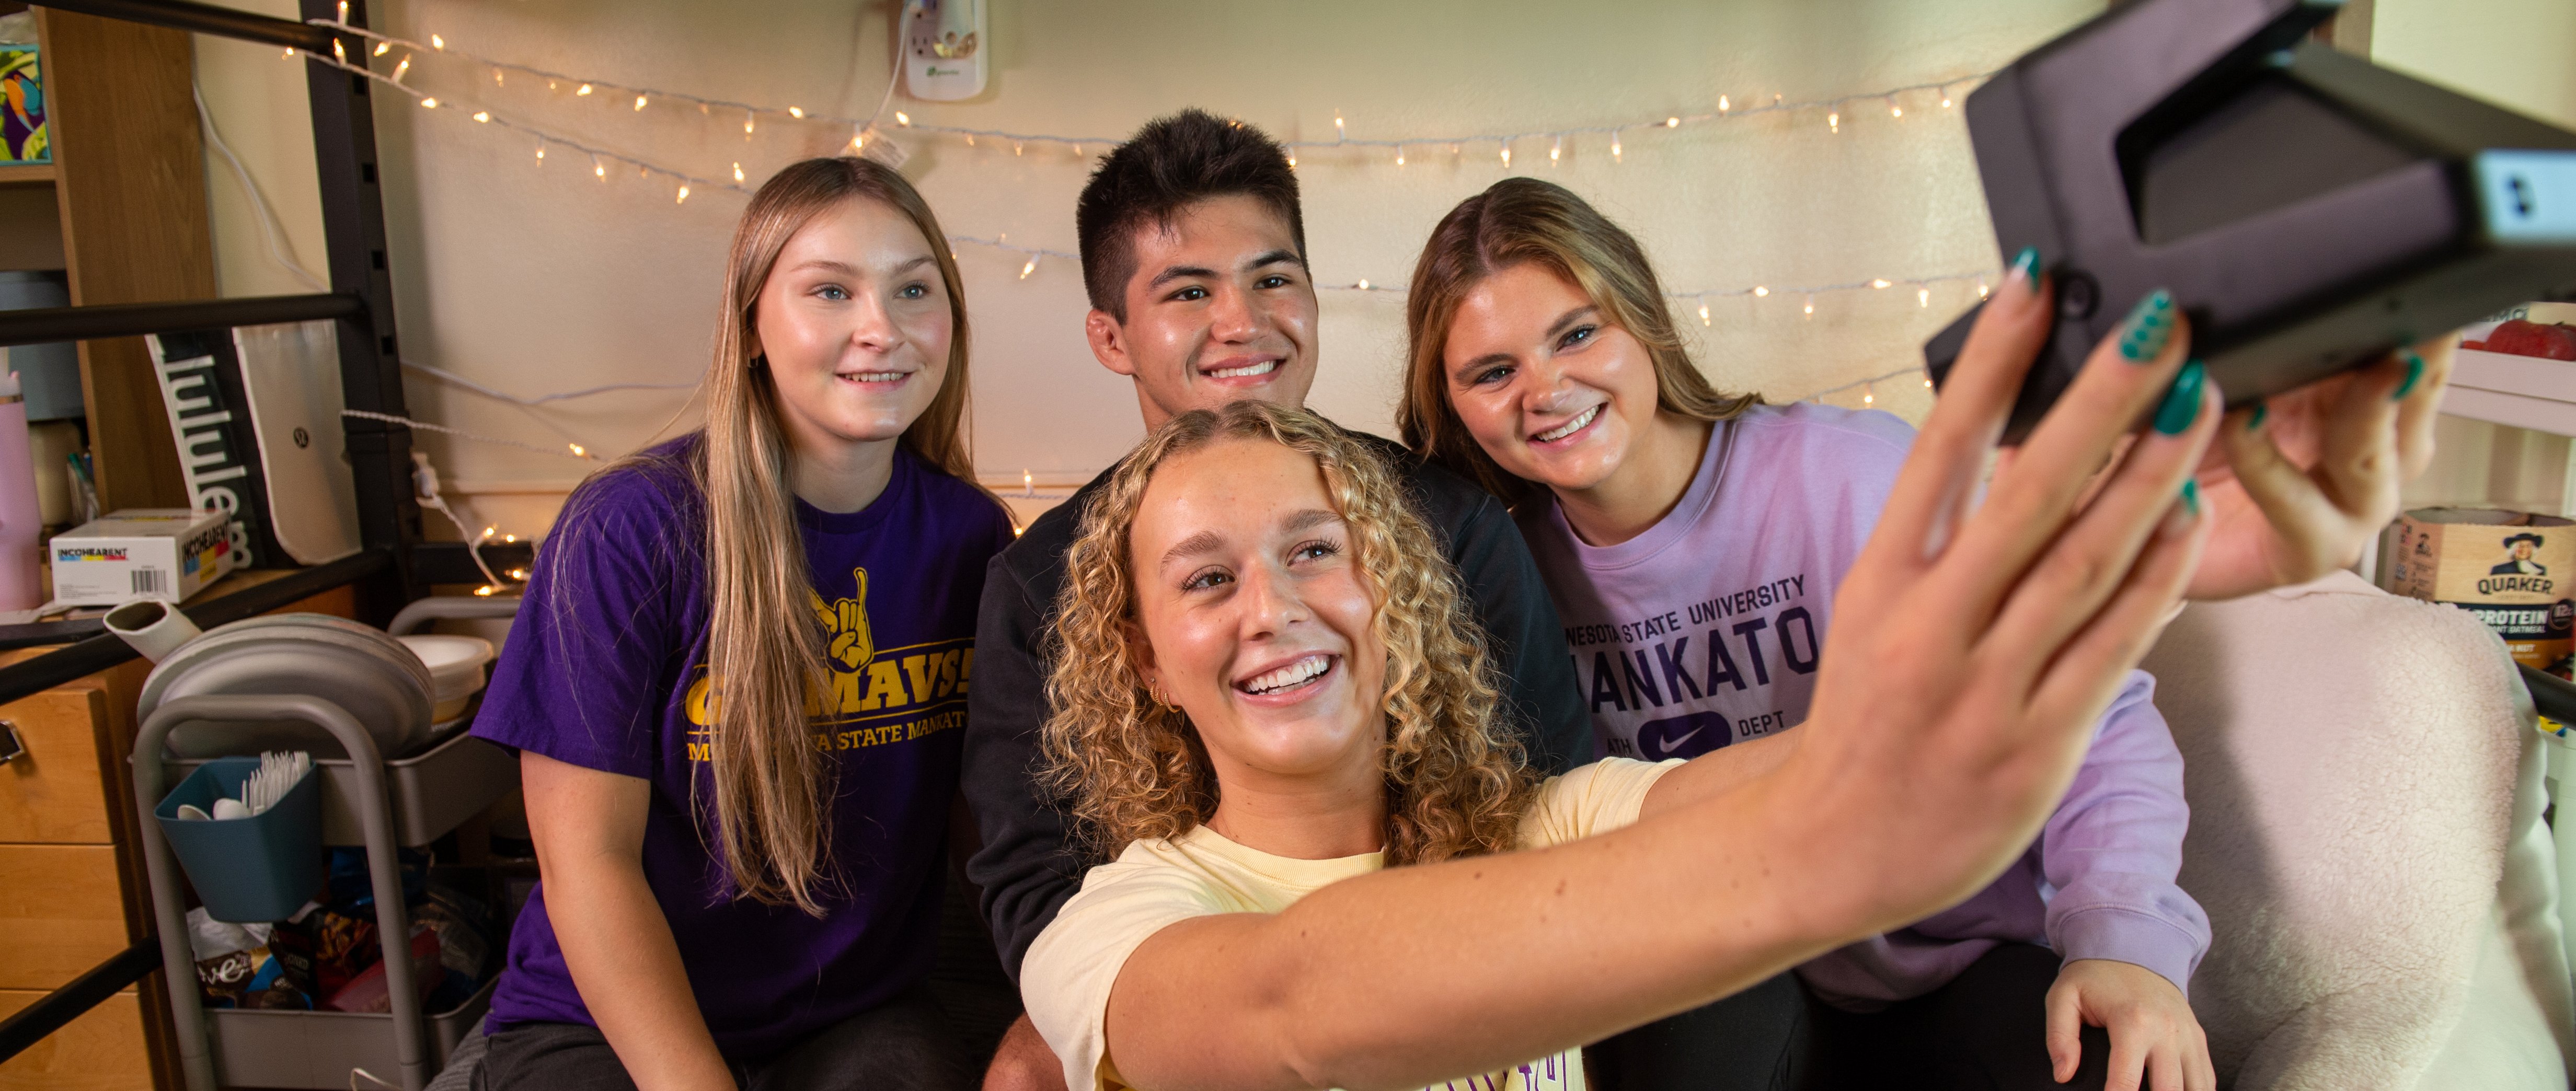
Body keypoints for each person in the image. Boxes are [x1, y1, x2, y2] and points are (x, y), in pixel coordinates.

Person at [1016, 267, 2224, 1089]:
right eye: (1206, 581)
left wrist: (2090, 592)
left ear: (1390, 597)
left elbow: (1790, 793)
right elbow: (1288, 1007)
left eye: (1315, 552)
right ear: (1146, 663)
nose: (1274, 610)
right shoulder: (1110, 928)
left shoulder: (1550, 821)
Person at [1395, 179, 2232, 1090]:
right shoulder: (1496, 574)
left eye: (1578, 333)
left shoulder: (1853, 479)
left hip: (1964, 954)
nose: (1546, 390)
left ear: (1646, 323)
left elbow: (2093, 710)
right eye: (1491, 371)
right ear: (1452, 403)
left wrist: (2126, 943)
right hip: (1734, 981)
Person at [963, 110, 1592, 1084]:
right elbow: (1032, 878)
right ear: (1110, 336)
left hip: (1467, 945)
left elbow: (1552, 781)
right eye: (1188, 291)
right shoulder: (1041, 579)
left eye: (1272, 278)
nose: (1242, 322)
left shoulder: (1455, 520)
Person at [469, 157, 1015, 1091]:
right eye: (831, 291)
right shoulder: (629, 528)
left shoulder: (969, 534)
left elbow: (978, 816)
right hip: (604, 1025)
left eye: (913, 288)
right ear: (754, 323)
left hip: (848, 1019)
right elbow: (587, 863)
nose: (880, 328)